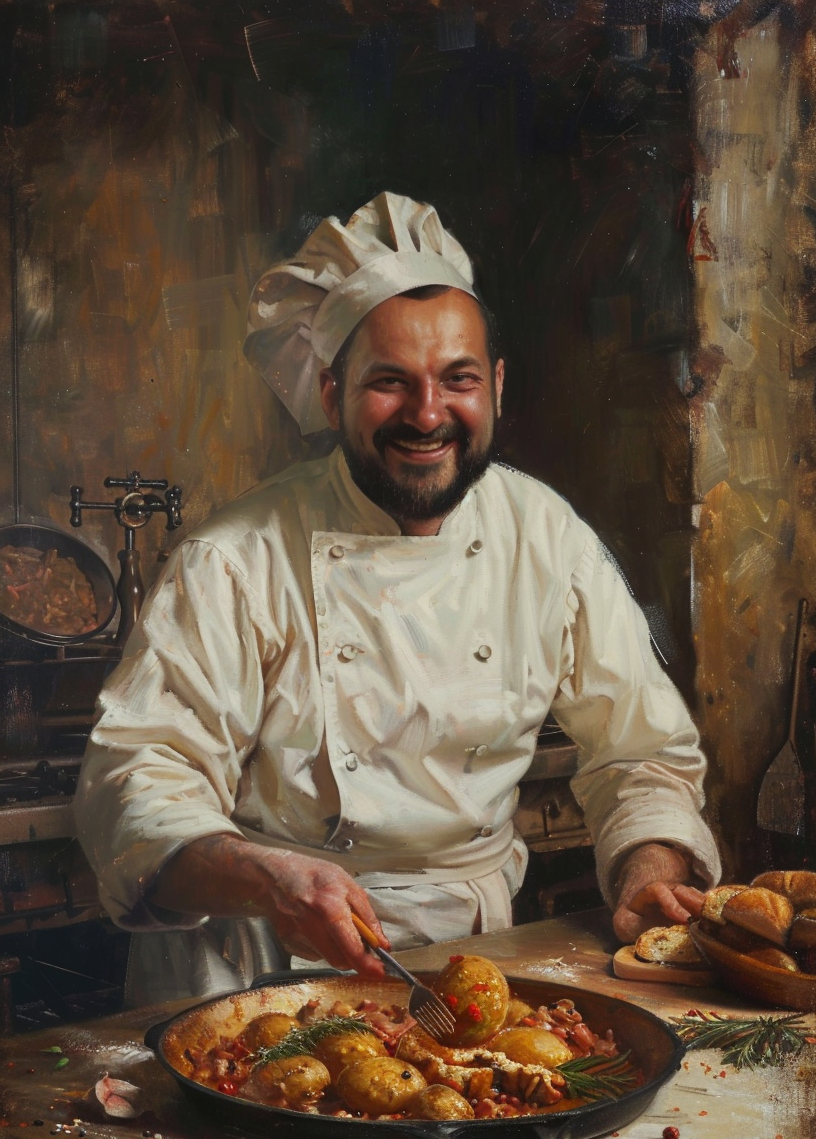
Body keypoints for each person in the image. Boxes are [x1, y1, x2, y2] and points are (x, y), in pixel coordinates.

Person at [75, 192, 721, 1004]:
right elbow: (136, 775)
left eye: (457, 379)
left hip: (483, 960)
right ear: (331, 391)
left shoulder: (546, 535)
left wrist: (647, 870)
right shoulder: (233, 559)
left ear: (495, 384)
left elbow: (641, 751)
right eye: (390, 382)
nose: (427, 414)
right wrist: (265, 879)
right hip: (254, 976)